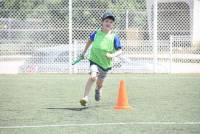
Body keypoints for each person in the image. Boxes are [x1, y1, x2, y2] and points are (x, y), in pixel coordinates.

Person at [80, 12, 122, 106]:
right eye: (106, 21)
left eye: (111, 22)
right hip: (94, 60)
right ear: (102, 22)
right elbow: (89, 41)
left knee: (99, 84)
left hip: (105, 64)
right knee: (93, 76)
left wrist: (112, 55)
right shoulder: (96, 33)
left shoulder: (114, 37)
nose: (108, 23)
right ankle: (85, 97)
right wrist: (84, 52)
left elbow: (120, 51)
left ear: (113, 25)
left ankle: (98, 89)